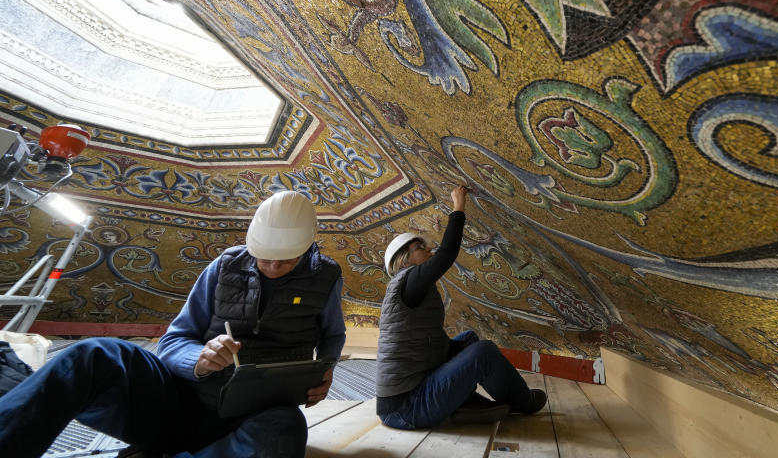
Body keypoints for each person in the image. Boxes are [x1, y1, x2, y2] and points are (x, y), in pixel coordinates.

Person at [0, 190, 345, 458]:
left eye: (284, 262)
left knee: (284, 431)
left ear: (307, 247)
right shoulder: (224, 267)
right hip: (178, 400)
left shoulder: (326, 278)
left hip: (253, 414)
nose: (271, 267)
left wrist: (324, 372)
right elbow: (175, 340)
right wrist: (198, 359)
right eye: (263, 258)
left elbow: (333, 335)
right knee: (95, 354)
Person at [376, 184, 547, 429]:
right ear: (404, 258)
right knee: (483, 352)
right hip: (405, 407)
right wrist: (458, 206)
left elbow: (429, 344)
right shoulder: (408, 281)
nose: (429, 250)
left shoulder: (410, 286)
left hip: (416, 389)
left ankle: (463, 403)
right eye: (421, 248)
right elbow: (446, 253)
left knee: (468, 340)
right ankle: (524, 402)